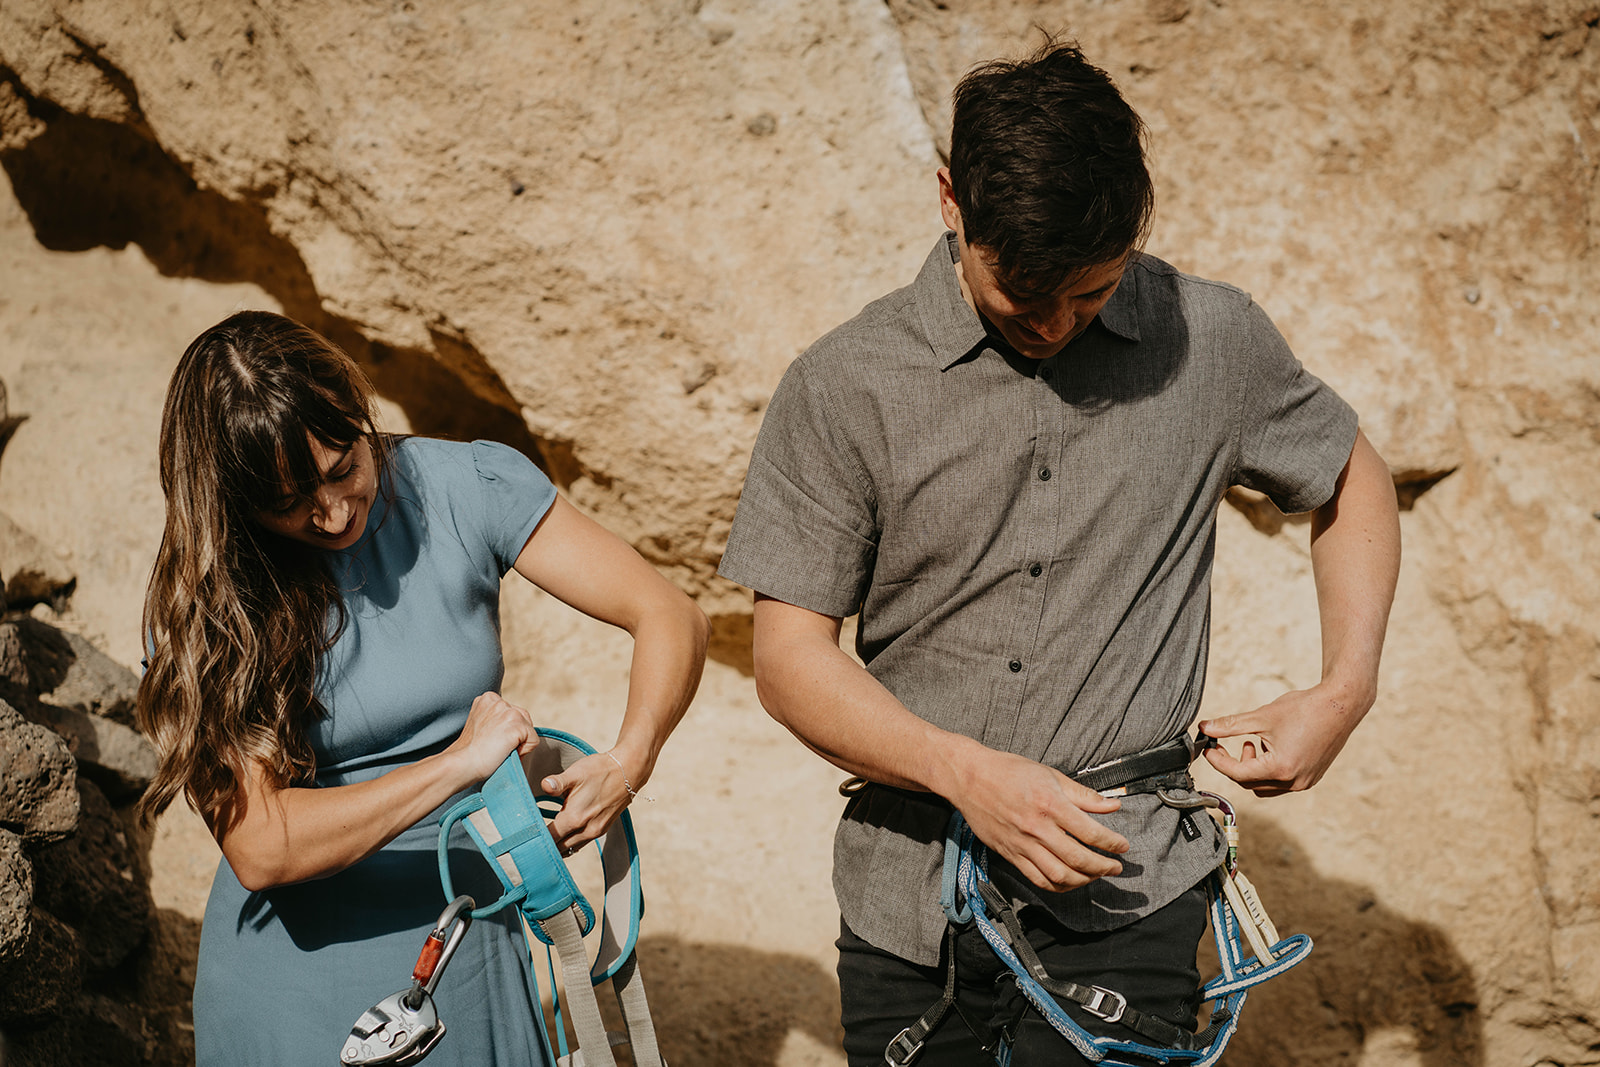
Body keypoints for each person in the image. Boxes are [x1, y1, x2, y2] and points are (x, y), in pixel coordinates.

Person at [717, 40, 1401, 1065]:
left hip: (1131, 900)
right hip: (909, 916)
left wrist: (1343, 688)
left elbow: (1352, 474)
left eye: (1087, 294)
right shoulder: (842, 383)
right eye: (1020, 293)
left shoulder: (1210, 338)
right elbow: (788, 658)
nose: (1051, 323)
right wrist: (965, 772)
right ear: (951, 199)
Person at [135, 310, 710, 1065]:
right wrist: (457, 765)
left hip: (466, 943)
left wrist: (630, 759)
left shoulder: (468, 483)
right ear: (235, 501)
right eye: (290, 503)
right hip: (295, 984)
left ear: (355, 405)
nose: (335, 512)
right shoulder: (207, 595)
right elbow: (262, 845)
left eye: (344, 467)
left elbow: (670, 614)